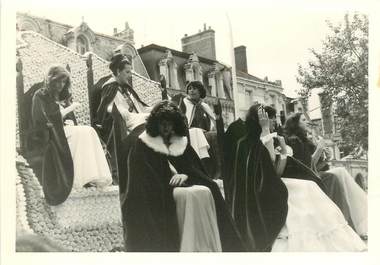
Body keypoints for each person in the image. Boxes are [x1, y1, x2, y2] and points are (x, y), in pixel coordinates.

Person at [122, 100, 245, 252]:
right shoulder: (142, 145)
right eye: (163, 123)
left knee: (211, 187)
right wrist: (170, 180)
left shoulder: (181, 143)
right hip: (151, 196)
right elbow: (143, 181)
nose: (167, 128)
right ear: (155, 123)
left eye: (170, 123)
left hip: (177, 189)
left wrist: (186, 177)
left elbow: (195, 171)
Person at [31, 65, 112, 205]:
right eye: (58, 81)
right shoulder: (41, 95)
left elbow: (64, 119)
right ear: (51, 80)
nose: (61, 85)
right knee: (83, 132)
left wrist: (67, 120)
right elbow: (44, 119)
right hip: (49, 133)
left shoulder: (62, 96)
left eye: (63, 82)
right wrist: (70, 108)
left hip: (62, 130)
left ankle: (94, 176)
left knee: (89, 130)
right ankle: (78, 179)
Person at [283, 113, 368, 237]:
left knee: (341, 173)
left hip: (314, 174)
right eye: (303, 120)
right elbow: (306, 166)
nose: (307, 122)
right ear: (296, 124)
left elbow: (317, 165)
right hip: (306, 177)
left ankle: (353, 223)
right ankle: (348, 225)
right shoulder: (293, 140)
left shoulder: (305, 140)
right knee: (335, 177)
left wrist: (325, 157)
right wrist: (319, 149)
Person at [229, 104, 289, 251]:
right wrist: (266, 130)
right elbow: (271, 169)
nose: (274, 121)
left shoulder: (266, 139)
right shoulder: (247, 143)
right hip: (259, 196)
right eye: (271, 118)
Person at [177, 81, 216, 160]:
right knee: (196, 131)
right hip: (188, 131)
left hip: (205, 132)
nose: (191, 91)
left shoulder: (204, 106)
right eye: (190, 89)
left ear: (200, 91)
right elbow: (180, 121)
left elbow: (213, 122)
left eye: (194, 89)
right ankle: (201, 158)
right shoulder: (184, 103)